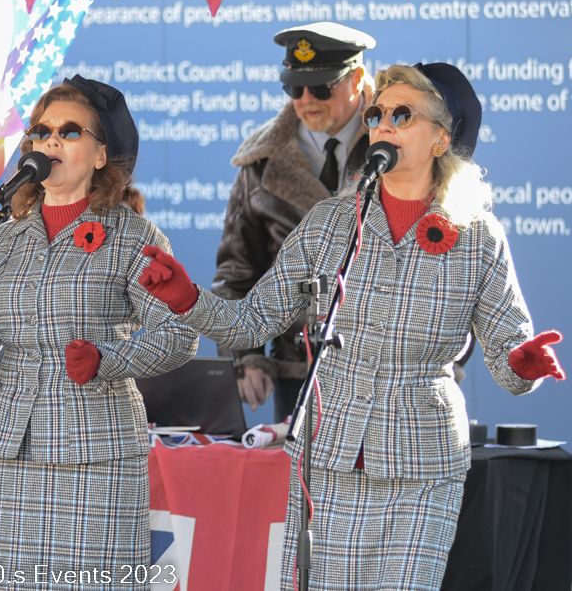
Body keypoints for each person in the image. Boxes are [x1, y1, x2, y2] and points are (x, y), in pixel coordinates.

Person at [138, 62, 565, 590]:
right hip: (328, 452)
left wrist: (522, 364)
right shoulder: (331, 223)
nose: (382, 125)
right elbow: (251, 320)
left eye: (401, 114)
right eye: (377, 114)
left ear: (440, 138)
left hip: (422, 463)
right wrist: (187, 298)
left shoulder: (479, 236)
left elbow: (508, 353)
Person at [0, 76, 198, 590]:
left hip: (97, 450)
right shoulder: (3, 237)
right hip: (12, 451)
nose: (51, 142)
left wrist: (108, 358)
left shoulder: (133, 237)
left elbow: (179, 335)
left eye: (69, 132)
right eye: (42, 131)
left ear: (99, 155)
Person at [214, 22, 376, 420]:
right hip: (299, 371)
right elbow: (237, 271)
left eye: (322, 87)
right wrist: (246, 357)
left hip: (387, 370)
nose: (306, 100)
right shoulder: (261, 162)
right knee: (296, 484)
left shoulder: (397, 146)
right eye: (293, 88)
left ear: (356, 79)